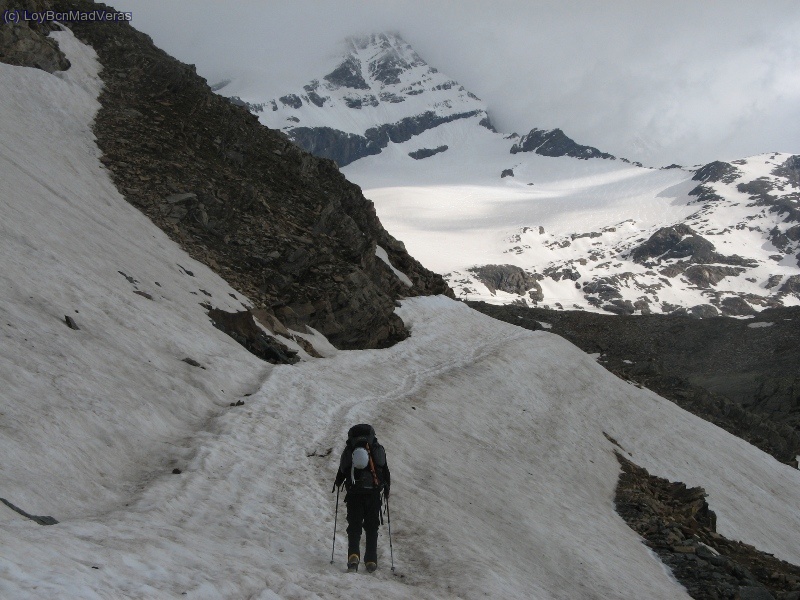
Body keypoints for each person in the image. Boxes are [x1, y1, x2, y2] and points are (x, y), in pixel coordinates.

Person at [332, 424, 390, 572]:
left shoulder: (350, 449)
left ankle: (353, 556)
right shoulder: (377, 448)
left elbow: (343, 469)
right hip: (373, 493)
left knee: (354, 526)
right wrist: (386, 487)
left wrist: (338, 482)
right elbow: (384, 467)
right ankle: (371, 560)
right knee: (372, 527)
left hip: (354, 494)